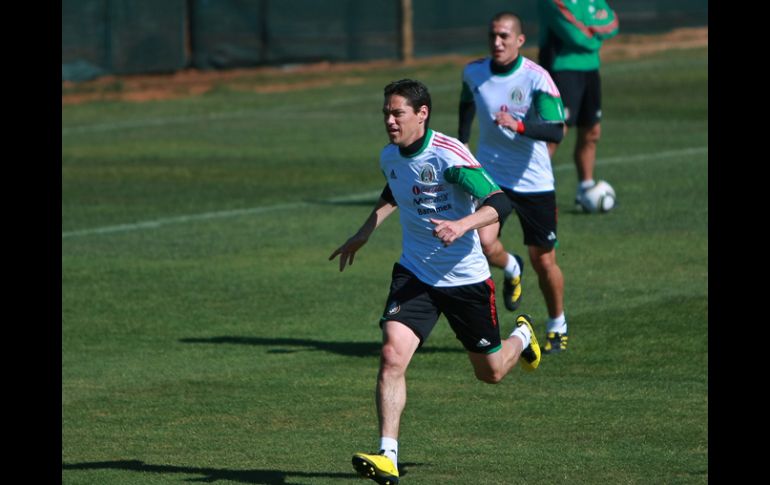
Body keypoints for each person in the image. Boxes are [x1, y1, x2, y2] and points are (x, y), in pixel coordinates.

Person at [330, 78, 541, 485]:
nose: (390, 121)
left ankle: (522, 337)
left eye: (397, 113)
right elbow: (396, 187)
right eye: (386, 114)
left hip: (465, 281)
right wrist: (365, 230)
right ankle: (388, 455)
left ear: (422, 114)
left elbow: (500, 202)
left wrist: (463, 224)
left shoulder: (449, 156)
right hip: (416, 274)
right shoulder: (389, 155)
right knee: (392, 355)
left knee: (491, 372)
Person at [458, 12, 569, 355]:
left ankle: (557, 324)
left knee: (544, 261)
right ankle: (510, 266)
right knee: (482, 242)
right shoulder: (474, 72)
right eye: (493, 35)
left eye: (505, 36)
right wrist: (461, 145)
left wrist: (518, 126)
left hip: (535, 182)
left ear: (520, 40)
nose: (497, 42)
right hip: (492, 178)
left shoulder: (537, 79)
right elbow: (466, 106)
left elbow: (557, 129)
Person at [537, 0, 619, 208]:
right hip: (561, 70)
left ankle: (585, 187)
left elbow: (613, 22)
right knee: (554, 134)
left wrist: (590, 29)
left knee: (591, 131)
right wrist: (595, 32)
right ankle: (533, 190)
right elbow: (577, 36)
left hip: (590, 69)